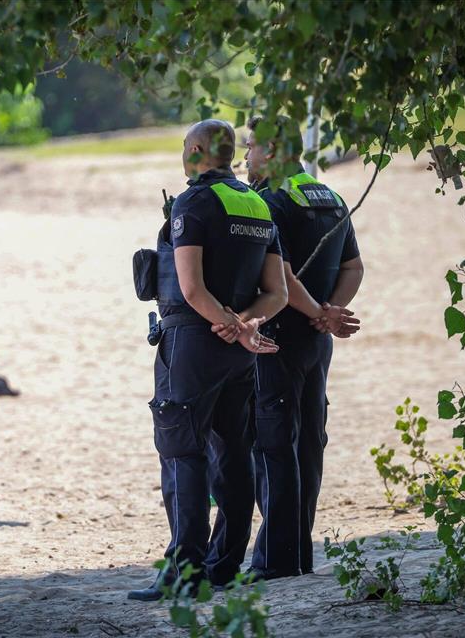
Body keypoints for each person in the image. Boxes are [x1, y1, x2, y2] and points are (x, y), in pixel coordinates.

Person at [128, 120, 289, 601]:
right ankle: (224, 563)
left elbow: (192, 287)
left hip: (193, 344)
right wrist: (242, 326)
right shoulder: (256, 203)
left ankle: (184, 569)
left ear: (196, 150)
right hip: (237, 351)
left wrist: (228, 323)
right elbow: (276, 293)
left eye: (184, 147)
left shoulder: (192, 203)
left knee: (182, 451)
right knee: (234, 453)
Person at [243, 116, 364, 579]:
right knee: (309, 441)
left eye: (251, 147)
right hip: (317, 343)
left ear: (272, 151)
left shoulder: (268, 200)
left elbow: (283, 276)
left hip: (279, 337)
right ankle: (299, 552)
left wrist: (315, 310)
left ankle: (277, 560)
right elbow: (354, 267)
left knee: (275, 444)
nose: (246, 157)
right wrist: (332, 311)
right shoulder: (330, 197)